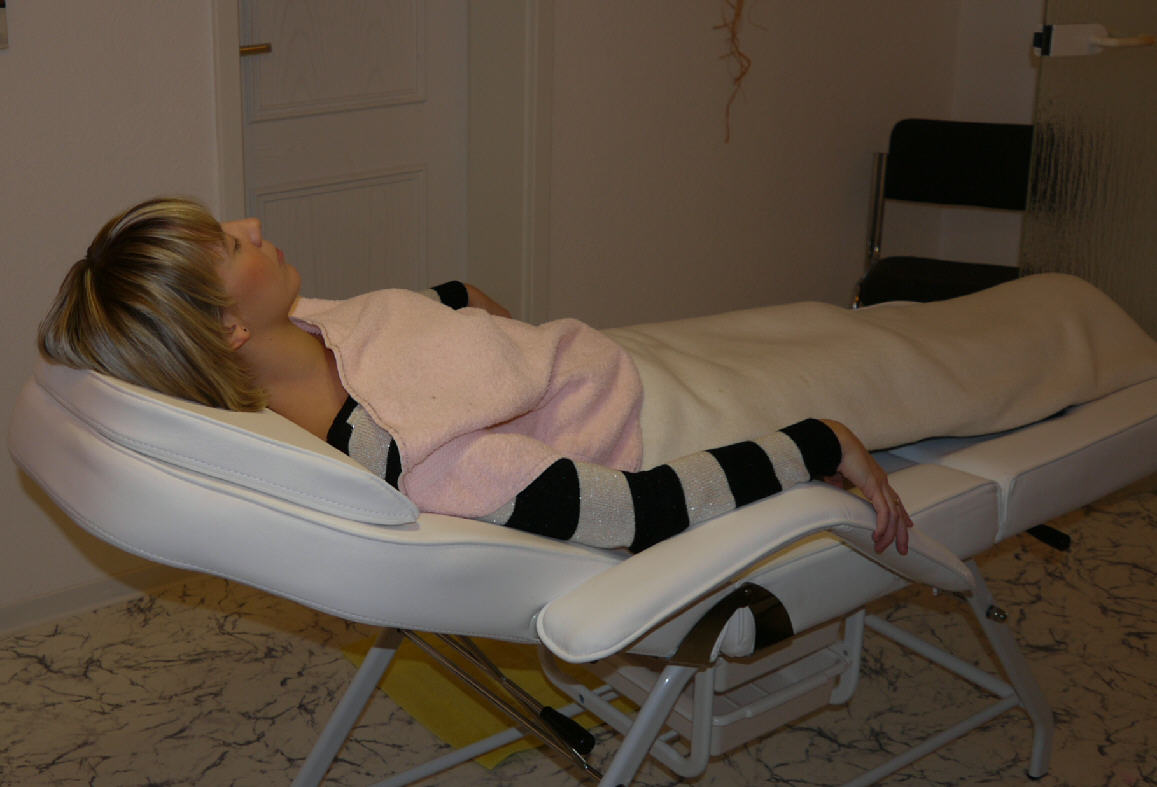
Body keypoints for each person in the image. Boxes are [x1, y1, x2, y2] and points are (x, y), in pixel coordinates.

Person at [38, 197, 913, 556]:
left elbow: (415, 312)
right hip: (663, 420)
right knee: (899, 356)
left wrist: (483, 318)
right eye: (232, 245)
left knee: (819, 320)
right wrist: (818, 440)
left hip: (601, 363)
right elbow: (632, 512)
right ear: (229, 328)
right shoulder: (416, 452)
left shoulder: (297, 336)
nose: (253, 223)